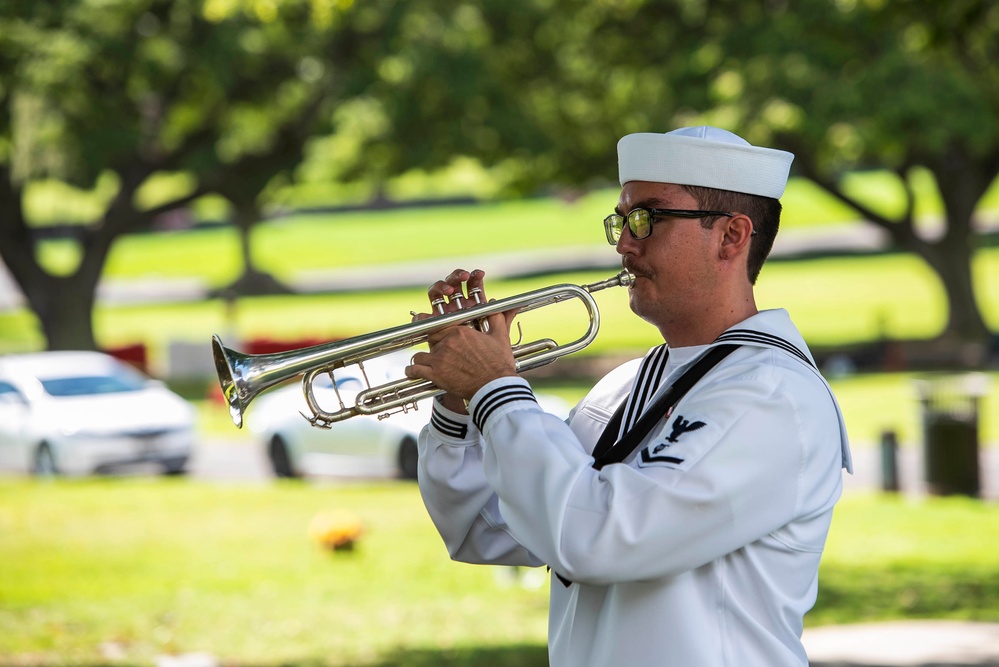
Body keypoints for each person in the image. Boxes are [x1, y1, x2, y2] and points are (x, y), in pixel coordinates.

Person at [405, 126, 853, 667]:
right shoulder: (625, 385)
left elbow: (597, 537)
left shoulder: (772, 395)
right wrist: (460, 405)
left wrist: (496, 391)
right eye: (621, 219)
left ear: (732, 237)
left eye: (649, 218)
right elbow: (485, 528)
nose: (623, 242)